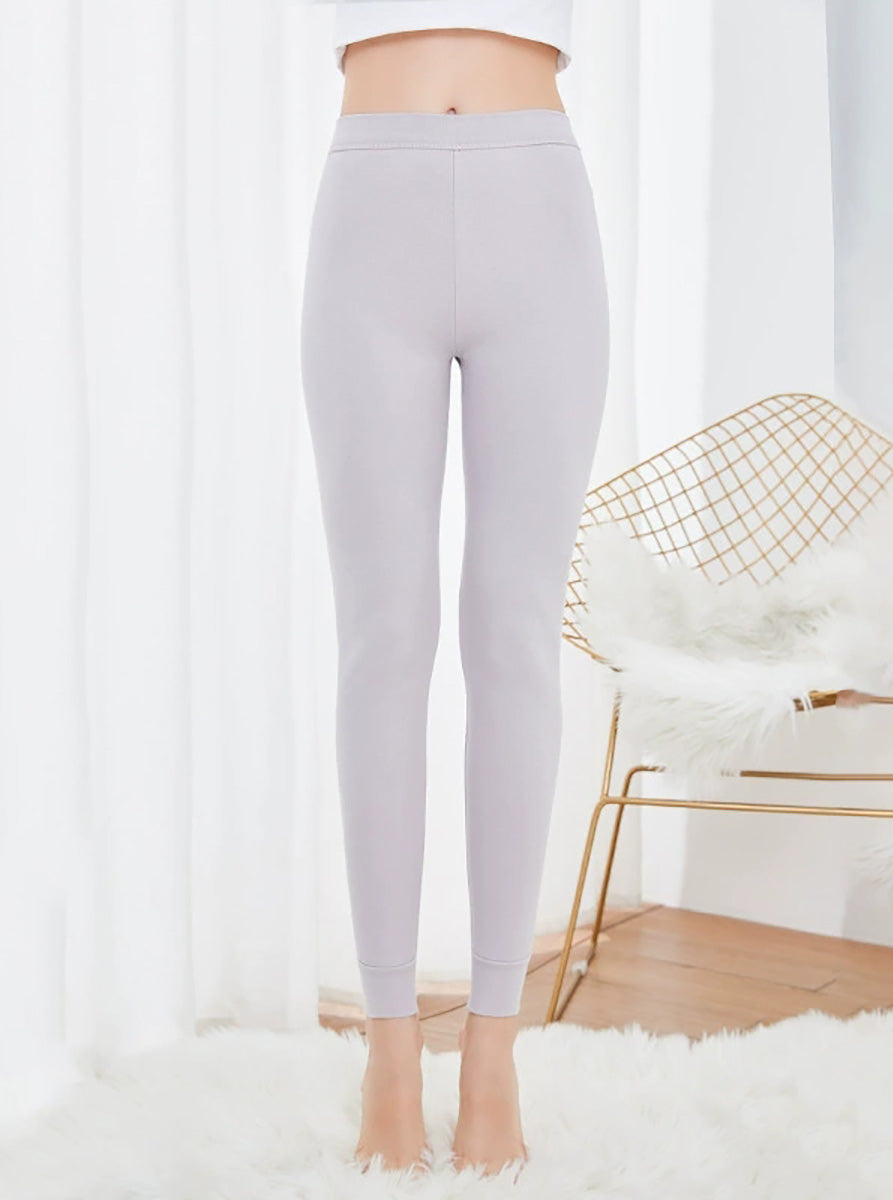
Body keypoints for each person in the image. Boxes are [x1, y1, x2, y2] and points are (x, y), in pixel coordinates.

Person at [299, 0, 610, 1178]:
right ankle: (389, 1055)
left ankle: (493, 1053)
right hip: (370, 208)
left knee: (515, 637)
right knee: (383, 639)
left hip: (540, 208)